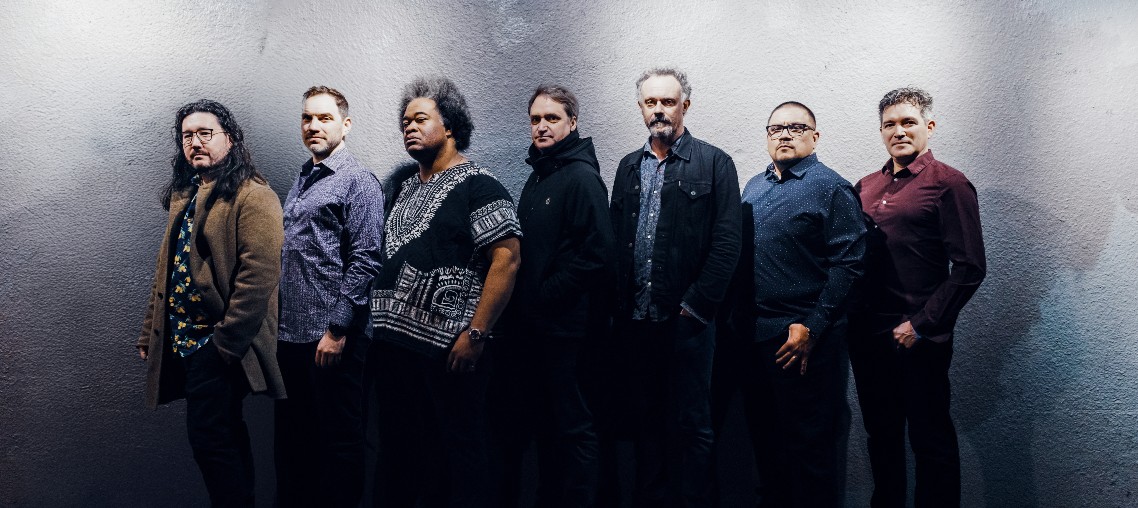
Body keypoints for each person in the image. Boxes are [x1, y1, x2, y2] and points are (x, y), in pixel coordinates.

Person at [370, 77, 521, 507]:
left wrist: (476, 334)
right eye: (405, 122)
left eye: (421, 119)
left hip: (448, 352)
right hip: (394, 350)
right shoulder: (404, 188)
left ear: (450, 126)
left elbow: (507, 260)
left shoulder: (480, 185)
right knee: (401, 453)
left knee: (459, 454)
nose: (409, 127)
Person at [715, 101, 865, 507]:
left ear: (815, 137)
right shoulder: (754, 187)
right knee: (766, 449)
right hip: (755, 339)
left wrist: (813, 327)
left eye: (796, 127)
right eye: (776, 128)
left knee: (808, 454)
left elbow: (849, 264)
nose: (784, 134)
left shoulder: (831, 187)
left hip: (803, 341)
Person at [137, 99, 285, 507]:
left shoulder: (254, 196)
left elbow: (259, 277)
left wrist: (225, 345)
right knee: (220, 437)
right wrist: (150, 330)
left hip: (215, 345)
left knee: (212, 440)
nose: (196, 142)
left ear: (230, 139)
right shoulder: (186, 193)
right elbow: (166, 268)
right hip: (182, 341)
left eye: (206, 133)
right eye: (188, 136)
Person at [609, 67, 741, 507]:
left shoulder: (715, 163)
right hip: (637, 321)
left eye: (668, 101)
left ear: (686, 104)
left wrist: (695, 307)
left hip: (688, 322)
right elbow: (617, 240)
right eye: (651, 102)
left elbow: (727, 243)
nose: (659, 110)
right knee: (645, 423)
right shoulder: (628, 167)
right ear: (640, 108)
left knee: (693, 426)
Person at [850, 87, 987, 508]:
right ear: (881, 132)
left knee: (931, 441)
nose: (899, 131)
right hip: (868, 337)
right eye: (889, 124)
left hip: (917, 337)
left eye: (908, 122)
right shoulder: (865, 186)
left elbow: (969, 267)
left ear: (929, 126)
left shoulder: (949, 184)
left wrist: (922, 325)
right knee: (881, 438)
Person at [492, 85, 612, 507]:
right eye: (535, 119)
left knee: (573, 429)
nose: (541, 126)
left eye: (552, 118)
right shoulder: (541, 174)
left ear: (572, 123)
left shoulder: (581, 178)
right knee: (546, 427)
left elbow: (598, 255)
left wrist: (545, 295)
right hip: (537, 331)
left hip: (566, 332)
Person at [274, 85, 384, 508]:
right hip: (292, 336)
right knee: (295, 441)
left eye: (324, 118)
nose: (313, 126)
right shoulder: (303, 178)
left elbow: (366, 260)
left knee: (339, 443)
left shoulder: (358, 181)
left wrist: (337, 329)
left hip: (333, 338)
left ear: (345, 124)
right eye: (307, 118)